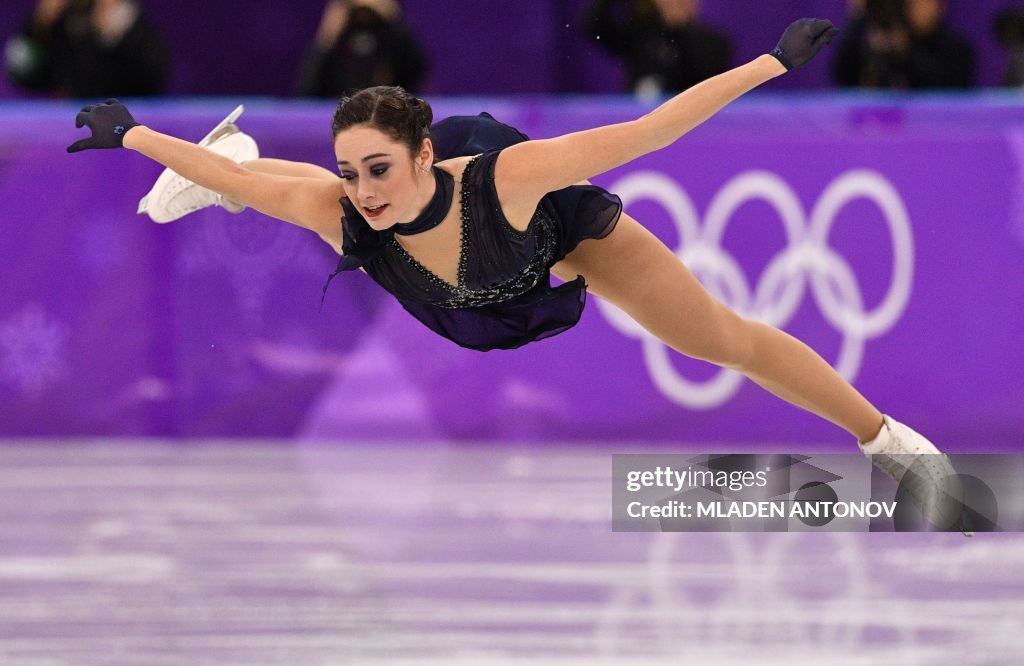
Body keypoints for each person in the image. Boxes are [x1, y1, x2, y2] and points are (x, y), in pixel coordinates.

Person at [65, 19, 970, 534]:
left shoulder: (510, 177)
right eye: (354, 170)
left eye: (380, 168)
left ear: (422, 154)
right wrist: (135, 133)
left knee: (722, 338)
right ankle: (227, 151)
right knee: (269, 189)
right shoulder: (347, 206)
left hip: (553, 238)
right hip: (454, 281)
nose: (365, 189)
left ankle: (887, 440)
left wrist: (769, 63)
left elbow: (648, 134)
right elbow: (247, 182)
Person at [4, 0, 169, 98]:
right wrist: (39, 26)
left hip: (120, 121)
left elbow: (152, 78)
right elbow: (21, 75)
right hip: (65, 121)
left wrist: (114, 32)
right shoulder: (53, 20)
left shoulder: (121, 16)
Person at [581, 0, 731, 97]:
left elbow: (704, 76)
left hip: (689, 124)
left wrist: (678, 29)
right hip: (636, 119)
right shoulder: (639, 34)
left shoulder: (715, 42)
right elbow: (594, 27)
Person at [297, 0, 429, 97]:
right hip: (339, 116)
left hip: (386, 113)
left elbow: (417, 73)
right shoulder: (339, 34)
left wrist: (395, 21)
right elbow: (306, 91)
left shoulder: (390, 34)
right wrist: (326, 39)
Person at [832, 0, 975, 89]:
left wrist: (904, 51)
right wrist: (857, 19)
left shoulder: (958, 49)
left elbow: (942, 88)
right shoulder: (872, 41)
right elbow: (843, 76)